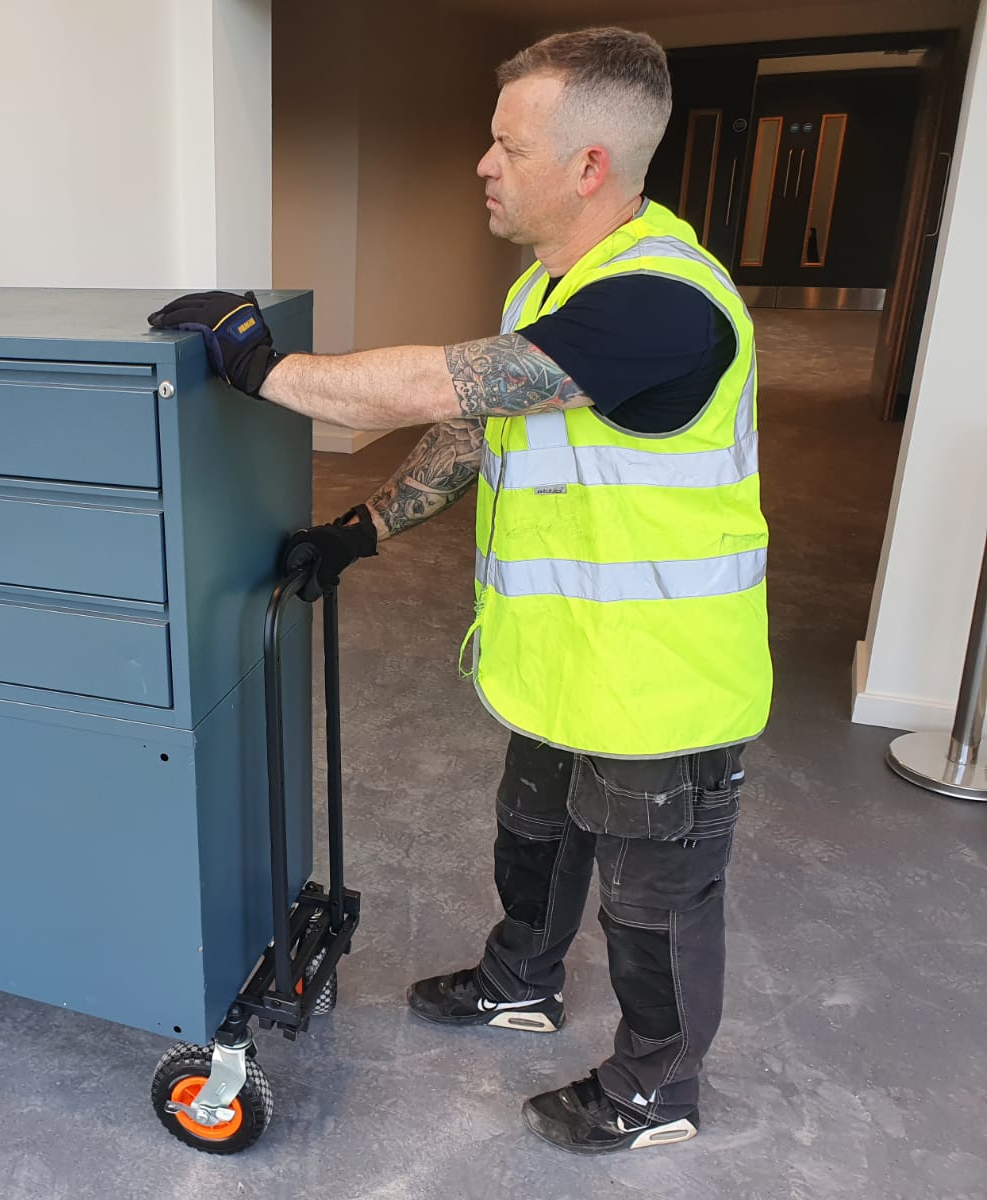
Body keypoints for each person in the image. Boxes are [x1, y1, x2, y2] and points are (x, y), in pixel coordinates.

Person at [147, 26, 770, 1155]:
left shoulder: (663, 303)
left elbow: (448, 378)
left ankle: (653, 1088)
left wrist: (264, 366)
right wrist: (361, 527)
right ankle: (519, 978)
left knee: (652, 904)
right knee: (531, 833)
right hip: (560, 661)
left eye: (505, 144)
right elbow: (482, 422)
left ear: (588, 165)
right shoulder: (554, 279)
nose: (482, 164)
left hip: (662, 684)